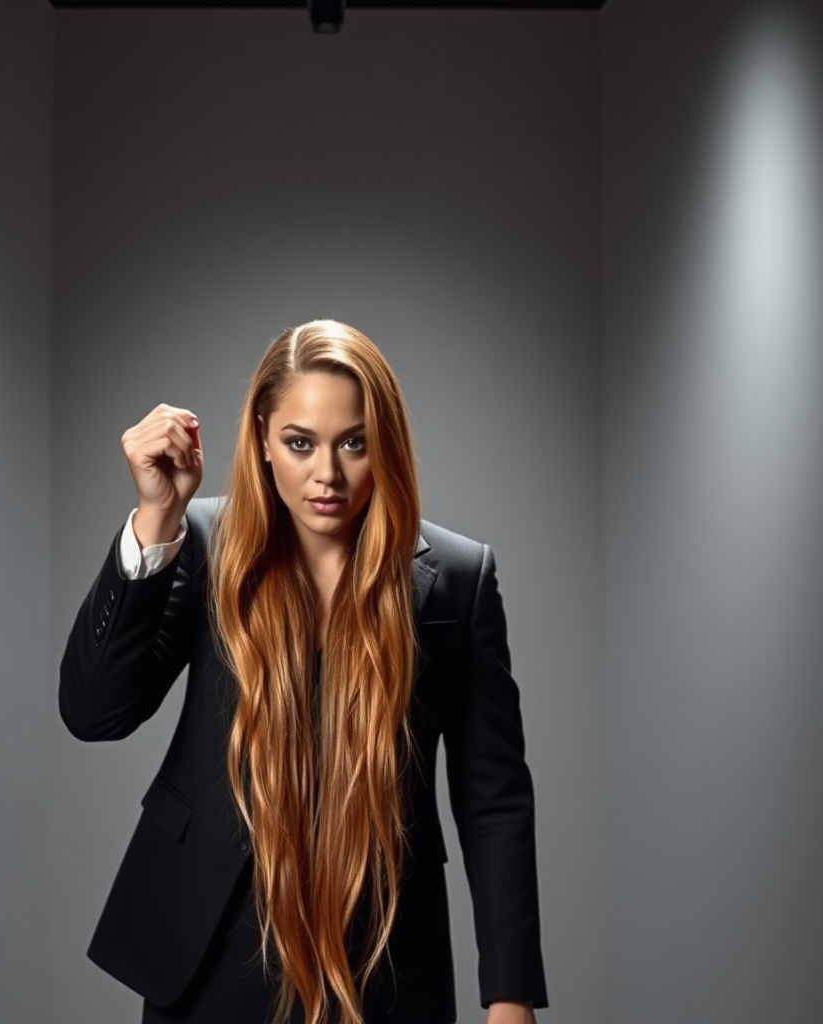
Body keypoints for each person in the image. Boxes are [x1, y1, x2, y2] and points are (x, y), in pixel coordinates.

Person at [59, 320, 548, 1024]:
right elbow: (94, 711)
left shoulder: (459, 580)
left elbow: (494, 798)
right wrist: (154, 518)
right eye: (300, 442)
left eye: (354, 442)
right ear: (261, 438)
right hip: (208, 953)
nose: (327, 473)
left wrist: (510, 997)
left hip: (383, 958)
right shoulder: (198, 545)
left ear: (386, 443)